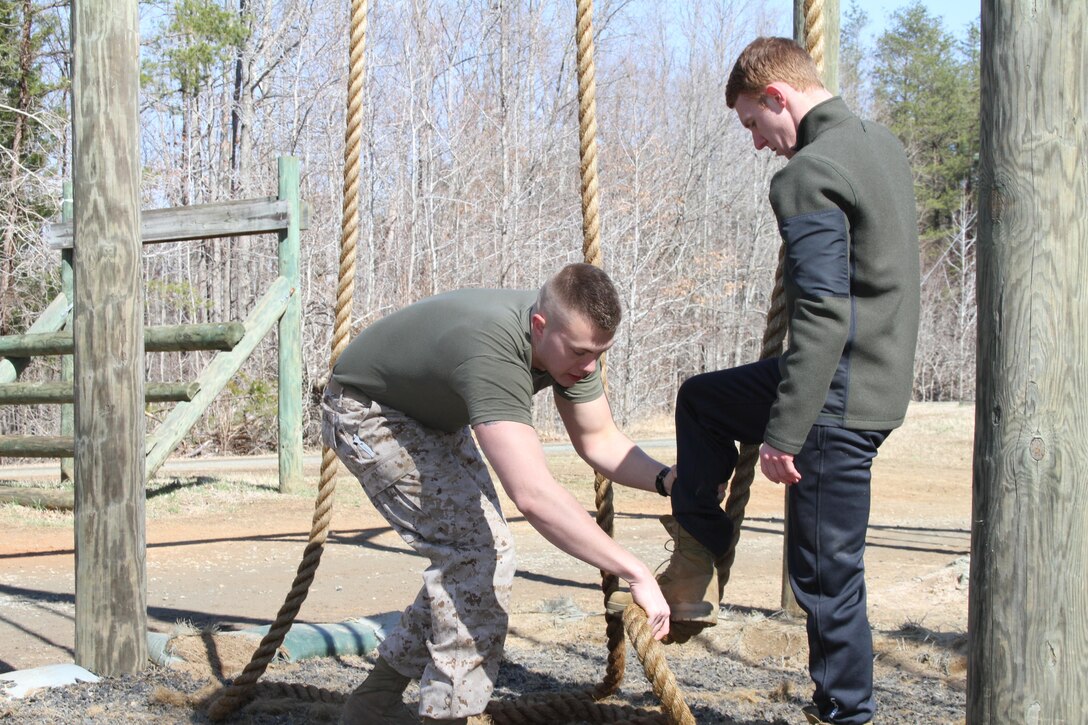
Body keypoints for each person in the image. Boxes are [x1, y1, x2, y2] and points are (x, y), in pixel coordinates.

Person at [655, 37, 920, 725]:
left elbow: (825, 309)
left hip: (837, 398)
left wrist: (785, 432)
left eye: (752, 123)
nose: (756, 143)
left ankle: (845, 714)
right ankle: (699, 553)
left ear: (778, 96)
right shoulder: (880, 147)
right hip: (874, 381)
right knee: (704, 400)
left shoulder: (808, 174)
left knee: (825, 575)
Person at [321, 262, 675, 725]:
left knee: (473, 555)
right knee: (477, 554)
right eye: (581, 352)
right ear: (539, 326)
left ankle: (373, 706)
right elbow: (533, 495)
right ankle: (443, 715)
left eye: (599, 353)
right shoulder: (494, 352)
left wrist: (670, 481)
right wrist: (635, 571)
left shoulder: (570, 344)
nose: (589, 366)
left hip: (430, 419)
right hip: (367, 412)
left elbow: (600, 441)